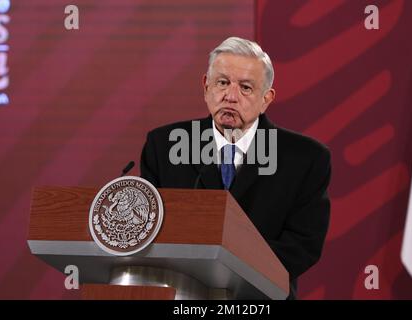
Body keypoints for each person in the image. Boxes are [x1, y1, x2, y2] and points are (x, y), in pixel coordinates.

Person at [140, 37, 331, 299]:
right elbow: (149, 230)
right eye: (222, 83)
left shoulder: (305, 158)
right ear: (206, 86)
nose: (230, 96)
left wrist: (226, 271)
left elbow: (302, 245)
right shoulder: (164, 146)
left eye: (245, 87)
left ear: (266, 99)